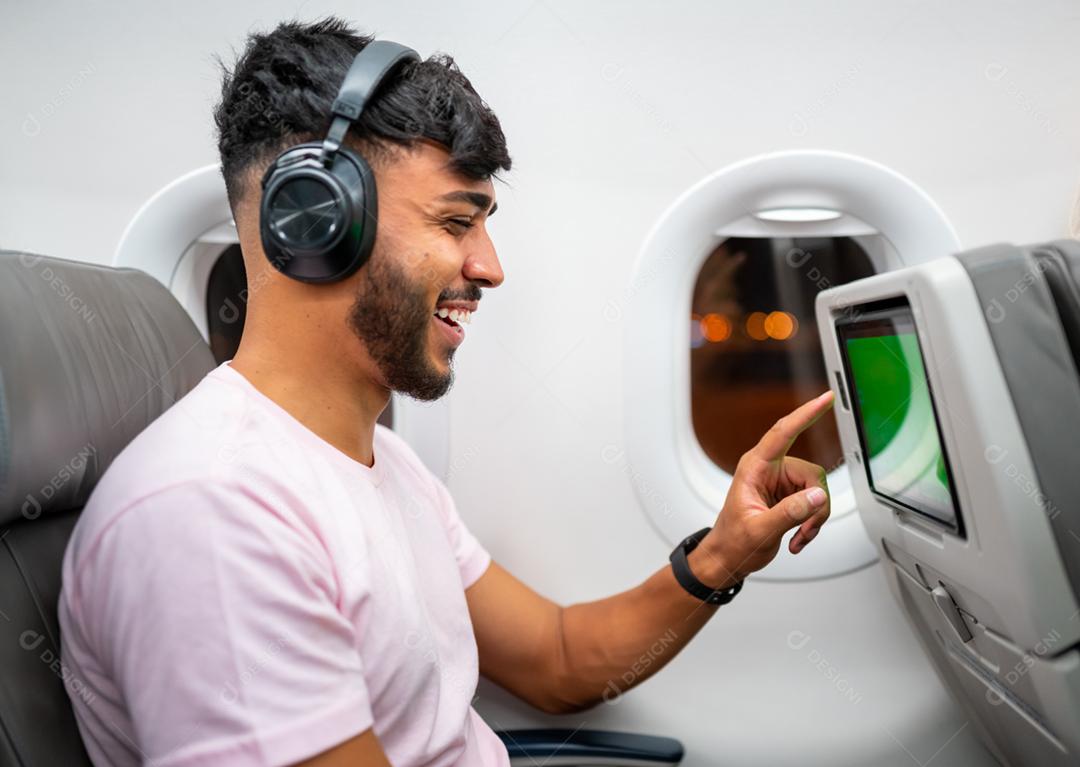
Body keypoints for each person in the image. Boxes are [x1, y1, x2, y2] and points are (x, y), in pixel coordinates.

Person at [58, 17, 833, 767]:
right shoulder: (213, 515)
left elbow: (559, 660)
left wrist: (725, 552)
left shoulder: (382, 462)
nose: (490, 266)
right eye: (457, 220)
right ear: (315, 221)